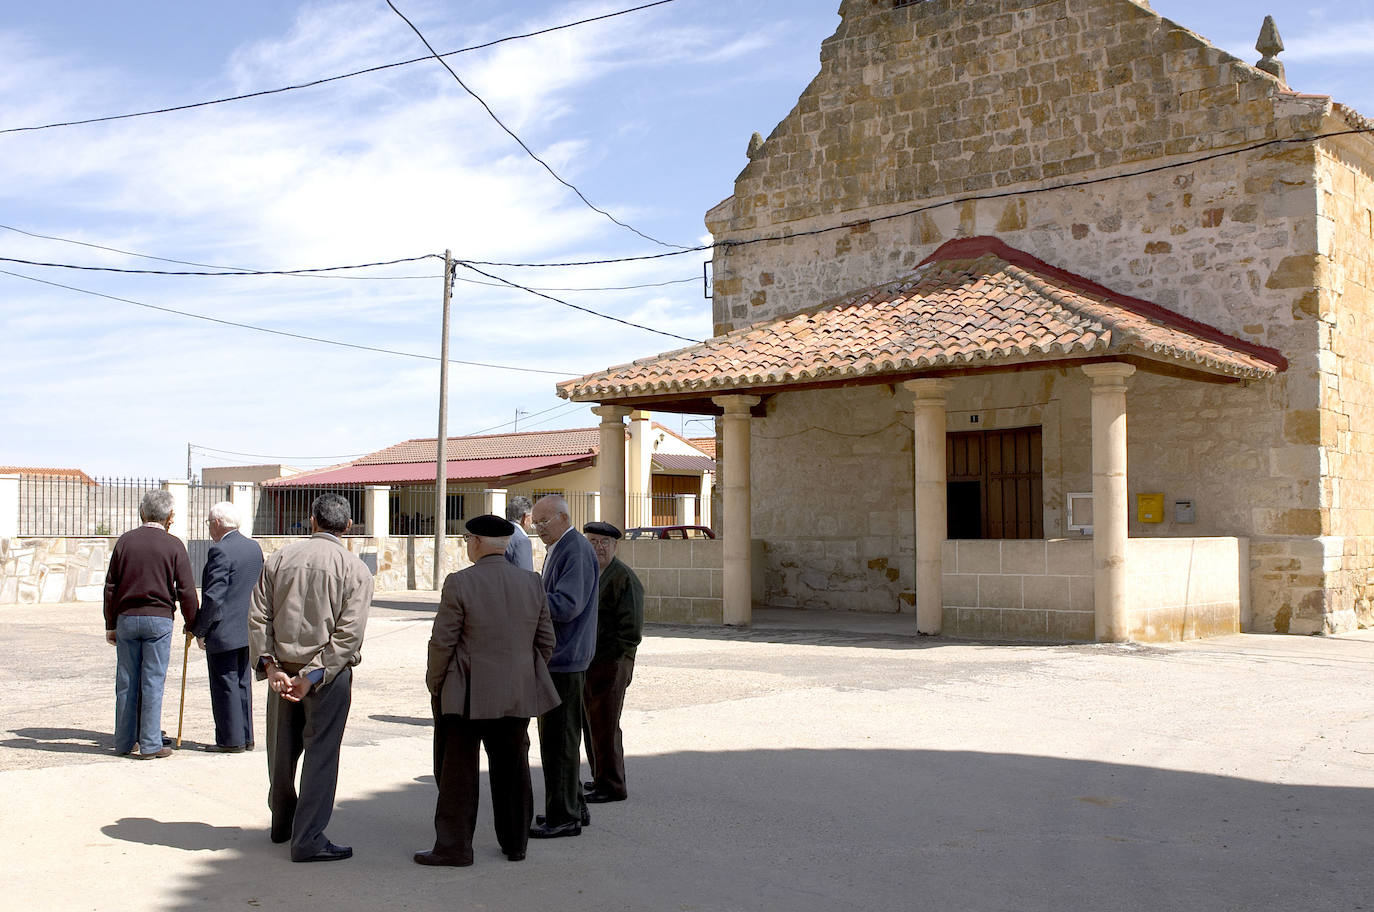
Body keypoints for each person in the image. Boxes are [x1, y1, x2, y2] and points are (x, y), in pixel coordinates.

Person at [416, 514, 560, 867]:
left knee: (458, 774)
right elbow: (546, 642)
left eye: (467, 539)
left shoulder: (460, 582)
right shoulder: (531, 582)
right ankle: (516, 843)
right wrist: (521, 673)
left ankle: (454, 847)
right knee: (513, 770)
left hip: (466, 695)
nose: (467, 545)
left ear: (477, 542)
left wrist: (435, 683)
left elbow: (443, 642)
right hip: (515, 694)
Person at [250, 493, 373, 863]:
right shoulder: (355, 569)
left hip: (283, 673)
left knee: (281, 752)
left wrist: (272, 667)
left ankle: (282, 823)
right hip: (327, 678)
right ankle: (307, 838)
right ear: (348, 527)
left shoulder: (280, 558)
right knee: (321, 755)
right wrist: (313, 674)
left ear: (313, 521)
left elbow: (258, 616)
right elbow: (348, 635)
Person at [103, 489, 199, 759]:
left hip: (127, 619)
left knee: (126, 681)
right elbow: (187, 590)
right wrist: (193, 622)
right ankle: (149, 744)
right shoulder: (174, 545)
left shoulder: (125, 542)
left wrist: (110, 623)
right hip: (158, 619)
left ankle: (123, 742)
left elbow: (111, 586)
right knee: (152, 682)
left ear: (142, 512)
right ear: (169, 516)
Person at [528, 494, 599, 839]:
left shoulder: (575, 549)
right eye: (535, 523)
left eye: (544, 522)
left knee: (560, 741)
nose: (538, 529)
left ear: (563, 517)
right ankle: (571, 807)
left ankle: (564, 817)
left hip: (565, 659)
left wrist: (529, 599)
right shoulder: (562, 547)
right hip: (560, 657)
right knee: (558, 738)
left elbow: (568, 605)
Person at [189, 501, 264, 753]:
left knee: (224, 684)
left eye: (210, 523)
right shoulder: (253, 547)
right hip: (248, 628)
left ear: (217, 523)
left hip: (224, 629)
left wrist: (200, 629)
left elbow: (214, 596)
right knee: (242, 683)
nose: (210, 529)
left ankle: (230, 740)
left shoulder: (220, 550)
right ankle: (246, 736)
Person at [580, 521, 644, 804]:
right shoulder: (589, 573)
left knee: (605, 724)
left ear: (615, 546)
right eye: (593, 541)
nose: (599, 547)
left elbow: (631, 630)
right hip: (588, 662)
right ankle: (599, 777)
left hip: (612, 663)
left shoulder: (623, 578)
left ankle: (612, 785)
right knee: (591, 723)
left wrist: (612, 659)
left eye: (605, 543)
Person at [503, 495, 534, 571]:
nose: (532, 521)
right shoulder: (522, 540)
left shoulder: (495, 533)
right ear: (525, 518)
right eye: (531, 518)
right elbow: (525, 575)